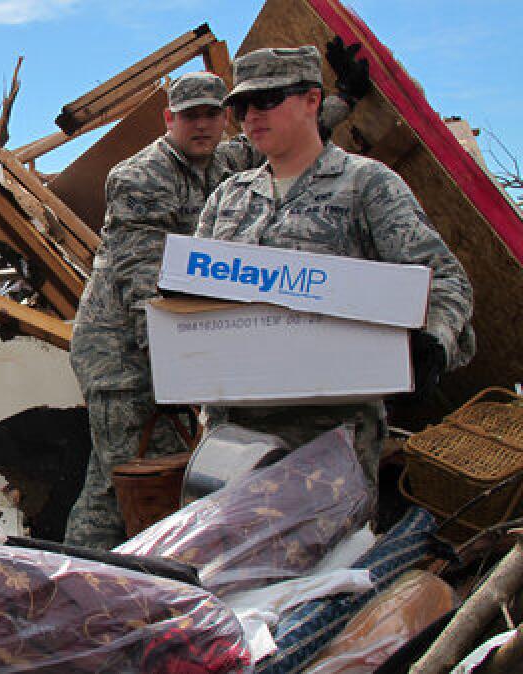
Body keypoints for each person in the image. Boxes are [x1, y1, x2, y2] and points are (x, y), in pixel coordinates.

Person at [65, 50, 371, 550]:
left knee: (144, 476)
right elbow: (141, 275)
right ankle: (82, 576)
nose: (202, 124)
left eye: (212, 113)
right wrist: (180, 362)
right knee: (120, 481)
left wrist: (343, 99)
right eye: (190, 115)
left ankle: (110, 576)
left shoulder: (227, 161)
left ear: (225, 116)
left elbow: (291, 142)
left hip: (173, 340)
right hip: (120, 351)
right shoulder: (138, 176)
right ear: (169, 119)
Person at [194, 46, 474, 488]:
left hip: (327, 443)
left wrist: (432, 343)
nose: (250, 116)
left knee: (321, 557)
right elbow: (193, 299)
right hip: (229, 439)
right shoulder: (227, 198)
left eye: (267, 100)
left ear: (312, 100)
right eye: (241, 105)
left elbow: (442, 278)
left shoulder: (367, 186)